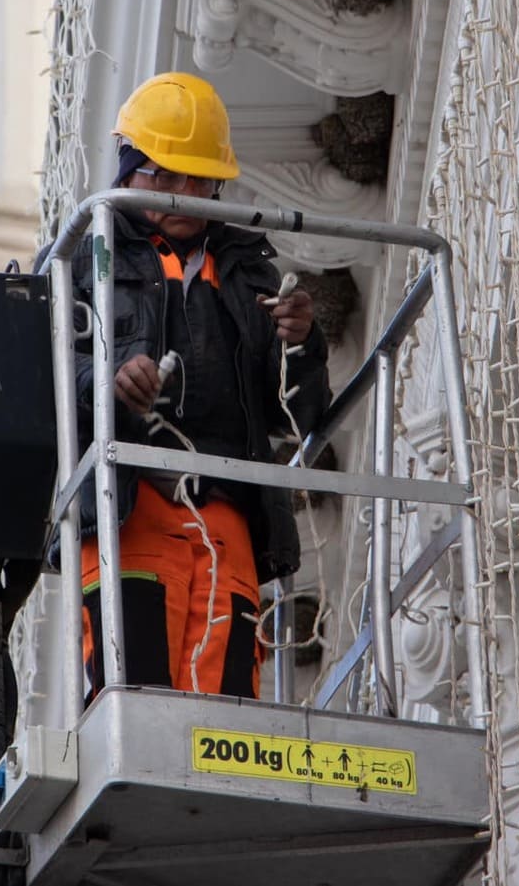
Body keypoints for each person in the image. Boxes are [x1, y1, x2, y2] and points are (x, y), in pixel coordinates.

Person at [51, 72, 330, 700]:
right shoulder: (80, 264)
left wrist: (300, 343)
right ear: (128, 174)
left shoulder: (249, 270)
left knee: (226, 715)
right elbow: (44, 384)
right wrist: (108, 384)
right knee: (138, 700)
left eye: (199, 178)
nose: (184, 194)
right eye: (166, 175)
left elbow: (299, 416)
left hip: (227, 515)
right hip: (129, 510)